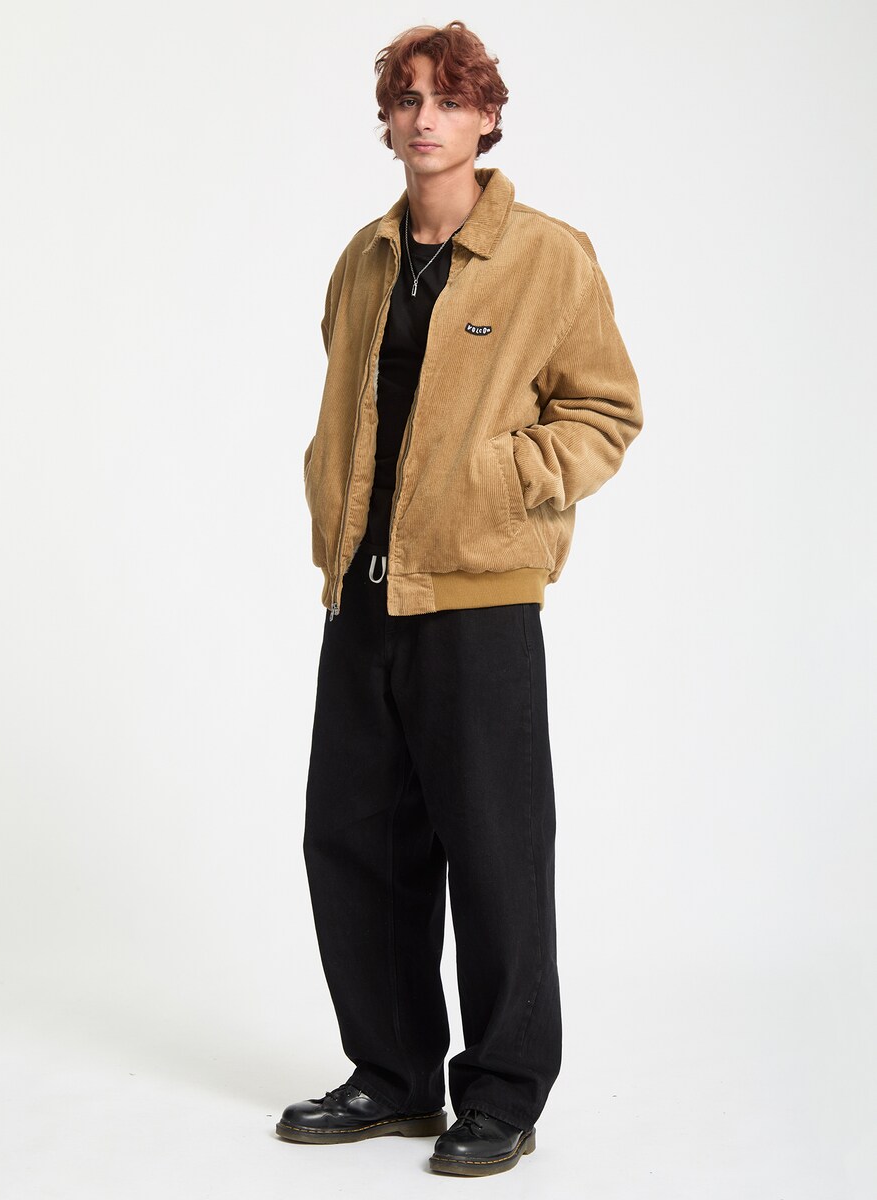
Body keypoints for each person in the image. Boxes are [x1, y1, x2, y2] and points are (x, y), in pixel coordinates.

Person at [277, 20, 643, 1178]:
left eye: (448, 98)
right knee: (354, 842)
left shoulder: (547, 256)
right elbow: (353, 408)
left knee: (493, 848)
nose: (424, 117)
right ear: (387, 119)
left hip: (479, 597)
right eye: (407, 98)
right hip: (364, 593)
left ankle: (503, 1093)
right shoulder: (365, 258)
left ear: (488, 116)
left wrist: (501, 482)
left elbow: (604, 412)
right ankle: (393, 1078)